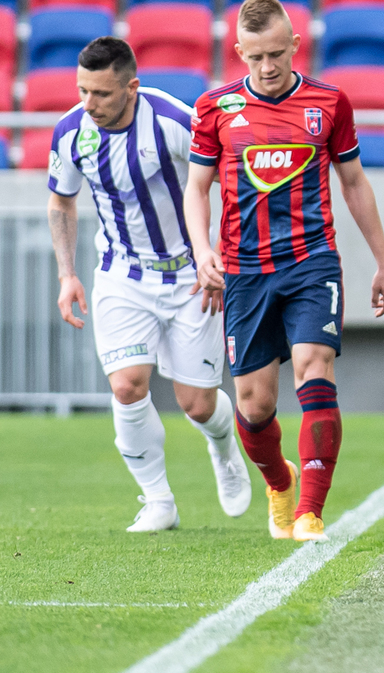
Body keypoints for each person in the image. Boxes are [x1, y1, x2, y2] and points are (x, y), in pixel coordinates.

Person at [183, 0, 384, 544]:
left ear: (295, 46)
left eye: (276, 54)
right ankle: (280, 482)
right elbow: (196, 188)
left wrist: (383, 259)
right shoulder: (214, 108)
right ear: (239, 52)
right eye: (256, 57)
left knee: (313, 367)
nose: (267, 67)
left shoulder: (329, 102)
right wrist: (202, 251)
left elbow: (354, 182)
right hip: (244, 270)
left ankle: (310, 512)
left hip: (311, 261)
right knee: (254, 405)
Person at [45, 37, 251, 532]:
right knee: (127, 386)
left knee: (197, 404)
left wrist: (219, 256)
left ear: (131, 87)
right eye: (83, 90)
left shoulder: (174, 121)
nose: (89, 103)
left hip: (190, 276)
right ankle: (159, 500)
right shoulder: (71, 131)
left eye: (101, 93)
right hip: (122, 274)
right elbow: (61, 201)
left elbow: (232, 184)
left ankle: (224, 448)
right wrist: (67, 273)